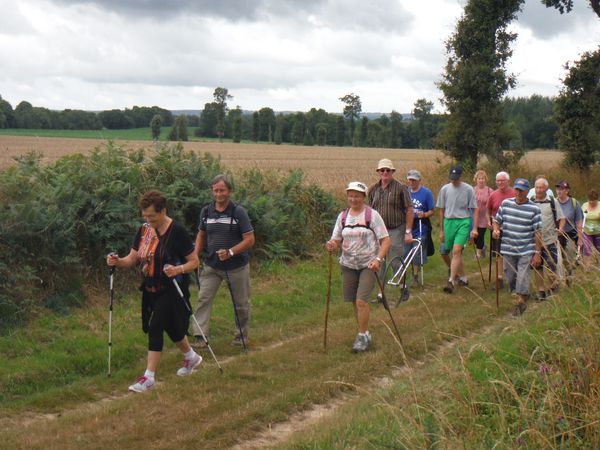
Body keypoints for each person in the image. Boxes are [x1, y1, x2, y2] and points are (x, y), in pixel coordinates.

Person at [107, 190, 201, 393]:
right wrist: (116, 261)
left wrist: (177, 269)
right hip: (151, 287)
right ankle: (191, 357)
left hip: (173, 288)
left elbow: (194, 262)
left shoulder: (177, 232)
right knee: (172, 328)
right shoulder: (143, 231)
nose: (148, 220)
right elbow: (132, 259)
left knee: (156, 325)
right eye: (145, 216)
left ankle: (149, 377)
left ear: (163, 211)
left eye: (152, 216)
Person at [326, 181, 391, 353]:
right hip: (348, 264)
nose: (353, 199)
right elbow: (337, 238)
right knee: (354, 302)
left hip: (369, 264)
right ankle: (364, 332)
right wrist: (332, 244)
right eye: (351, 195)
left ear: (363, 197)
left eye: (357, 195)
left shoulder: (372, 215)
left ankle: (362, 336)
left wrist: (378, 259)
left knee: (361, 300)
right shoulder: (343, 217)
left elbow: (386, 240)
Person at [193, 175, 255, 348]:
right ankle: (200, 337)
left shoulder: (238, 212)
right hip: (211, 265)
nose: (219, 194)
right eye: (216, 190)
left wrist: (230, 252)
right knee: (203, 299)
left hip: (236, 267)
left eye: (222, 190)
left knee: (241, 304)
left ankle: (240, 337)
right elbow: (201, 234)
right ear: (212, 191)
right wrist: (195, 255)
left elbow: (250, 239)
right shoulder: (206, 211)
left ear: (229, 191)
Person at [493, 178, 542, 316]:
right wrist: (496, 230)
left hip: (526, 248)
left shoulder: (534, 208)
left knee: (522, 275)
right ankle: (522, 293)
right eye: (517, 189)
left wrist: (537, 252)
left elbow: (538, 232)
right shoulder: (506, 204)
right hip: (508, 248)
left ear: (527, 191)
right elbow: (497, 221)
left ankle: (521, 302)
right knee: (510, 277)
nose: (519, 193)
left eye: (522, 190)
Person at [368, 159, 414, 290]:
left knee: (395, 259)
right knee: (379, 261)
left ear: (392, 172)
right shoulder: (373, 189)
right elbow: (370, 210)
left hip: (396, 229)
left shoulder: (400, 188)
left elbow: (410, 209)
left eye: (388, 170)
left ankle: (401, 287)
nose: (385, 172)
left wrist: (408, 231)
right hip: (378, 231)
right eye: (382, 170)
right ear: (378, 172)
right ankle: (381, 292)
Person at [436, 166, 478, 293]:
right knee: (447, 252)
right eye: (452, 178)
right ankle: (463, 277)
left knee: (457, 250)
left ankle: (451, 281)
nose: (454, 180)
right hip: (449, 221)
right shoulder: (444, 189)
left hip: (463, 221)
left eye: (456, 178)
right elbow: (441, 210)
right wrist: (441, 231)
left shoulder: (468, 189)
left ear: (461, 176)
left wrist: (474, 228)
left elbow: (475, 209)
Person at [530, 177, 565, 299]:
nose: (539, 190)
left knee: (552, 265)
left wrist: (560, 229)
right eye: (537, 187)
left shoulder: (552, 201)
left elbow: (562, 218)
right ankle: (540, 291)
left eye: (541, 187)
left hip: (550, 240)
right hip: (534, 241)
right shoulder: (530, 201)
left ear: (546, 189)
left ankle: (552, 288)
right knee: (537, 266)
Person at [405, 169, 435, 286]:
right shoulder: (406, 192)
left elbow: (432, 210)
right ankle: (407, 274)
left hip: (421, 224)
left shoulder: (426, 193)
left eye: (414, 180)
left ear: (419, 180)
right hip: (408, 224)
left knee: (417, 250)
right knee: (406, 251)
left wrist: (424, 214)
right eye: (410, 180)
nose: (411, 182)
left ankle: (416, 277)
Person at [487, 171, 515, 290]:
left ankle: (513, 278)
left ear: (508, 181)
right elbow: (488, 210)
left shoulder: (514, 193)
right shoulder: (493, 195)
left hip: (512, 228)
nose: (500, 182)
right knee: (498, 254)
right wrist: (489, 222)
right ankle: (499, 279)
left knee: (511, 253)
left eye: (502, 180)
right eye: (498, 180)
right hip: (497, 228)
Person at [555, 180, 584, 285]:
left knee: (572, 256)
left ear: (567, 191)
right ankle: (568, 272)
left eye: (562, 189)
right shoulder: (554, 202)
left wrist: (580, 239)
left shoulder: (574, 203)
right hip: (559, 233)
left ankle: (571, 273)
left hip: (572, 233)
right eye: (558, 189)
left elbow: (579, 221)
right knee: (562, 256)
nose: (559, 191)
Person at [473, 170, 493, 259]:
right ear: (476, 180)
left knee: (480, 235)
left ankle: (478, 254)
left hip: (484, 217)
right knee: (474, 237)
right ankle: (483, 247)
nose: (481, 180)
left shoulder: (489, 191)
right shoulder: (472, 190)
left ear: (485, 179)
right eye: (479, 178)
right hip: (473, 216)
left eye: (483, 178)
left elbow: (492, 203)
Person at [581, 188, 600, 266]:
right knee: (587, 248)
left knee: (598, 248)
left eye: (593, 201)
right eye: (590, 200)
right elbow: (581, 217)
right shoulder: (584, 205)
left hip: (598, 232)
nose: (591, 202)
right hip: (586, 231)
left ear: (597, 199)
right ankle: (587, 266)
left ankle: (598, 264)